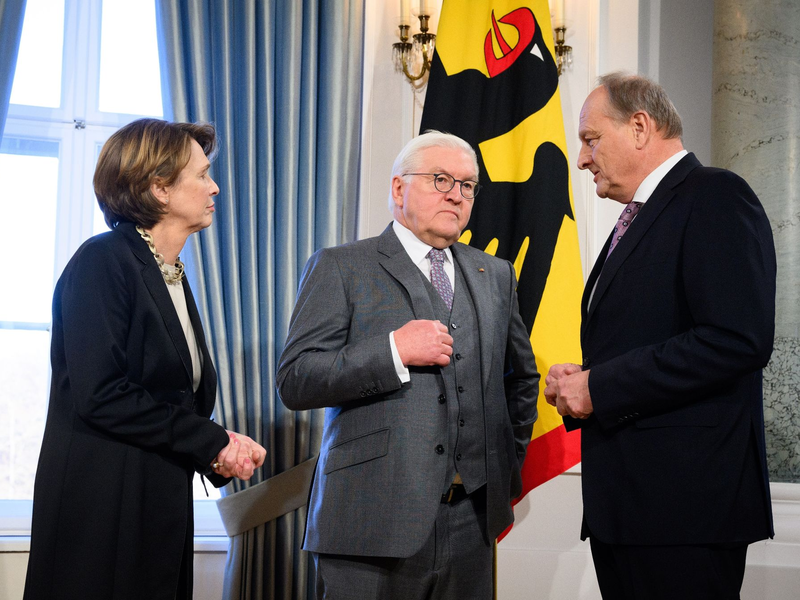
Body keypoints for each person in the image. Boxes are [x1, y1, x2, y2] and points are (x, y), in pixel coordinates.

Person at [277, 131, 539, 599]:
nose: (456, 195)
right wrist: (393, 351)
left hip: (472, 522)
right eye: (441, 180)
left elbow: (520, 380)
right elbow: (297, 380)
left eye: (467, 185)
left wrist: (503, 471)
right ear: (399, 189)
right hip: (368, 523)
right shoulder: (340, 266)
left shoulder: (495, 274)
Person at [544, 73, 776, 599]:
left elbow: (736, 339)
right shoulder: (643, 214)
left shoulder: (716, 195)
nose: (581, 159)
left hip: (684, 515)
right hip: (629, 512)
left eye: (590, 138)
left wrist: (600, 388)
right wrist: (585, 380)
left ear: (641, 127)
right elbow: (647, 337)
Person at [24, 118, 267, 600]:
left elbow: (170, 398)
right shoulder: (102, 260)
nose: (214, 186)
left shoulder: (169, 272)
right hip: (103, 507)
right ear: (159, 188)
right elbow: (102, 394)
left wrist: (216, 449)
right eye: (201, 175)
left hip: (155, 503)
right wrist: (212, 439)